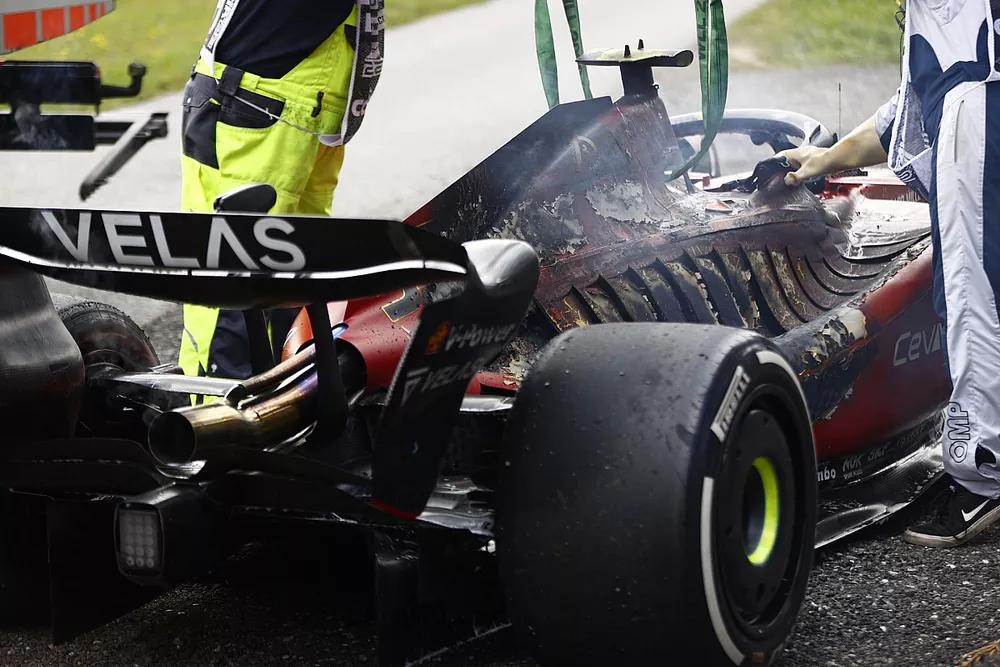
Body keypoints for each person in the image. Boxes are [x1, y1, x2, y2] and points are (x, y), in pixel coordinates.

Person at [774, 0, 1000, 547]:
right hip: (974, 86)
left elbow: (950, 79)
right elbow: (919, 97)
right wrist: (828, 159)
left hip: (979, 105)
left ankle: (983, 470)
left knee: (975, 293)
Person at [177, 0, 384, 387]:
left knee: (293, 286)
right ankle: (211, 429)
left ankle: (279, 415)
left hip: (304, 110)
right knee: (233, 295)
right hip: (255, 105)